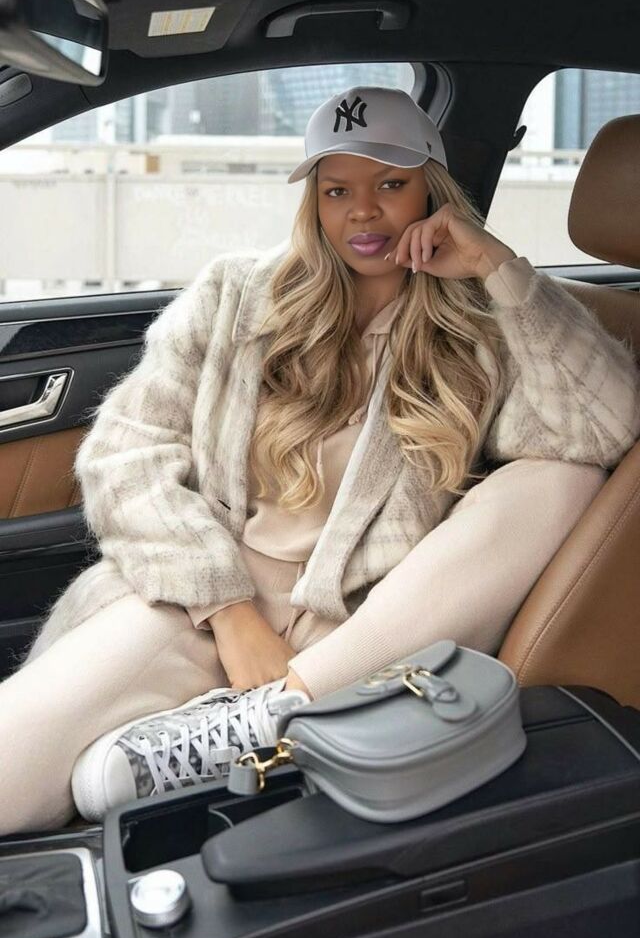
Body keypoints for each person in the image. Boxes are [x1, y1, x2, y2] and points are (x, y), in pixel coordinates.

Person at [0, 86, 638, 834]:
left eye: (390, 185)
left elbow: (601, 430)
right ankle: (240, 723)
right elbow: (122, 453)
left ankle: (280, 715)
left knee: (561, 478)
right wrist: (229, 611)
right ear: (314, 201)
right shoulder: (237, 294)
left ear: (431, 192)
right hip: (203, 596)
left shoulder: (489, 323)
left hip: (365, 623)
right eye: (337, 190)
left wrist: (499, 267)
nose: (362, 212)